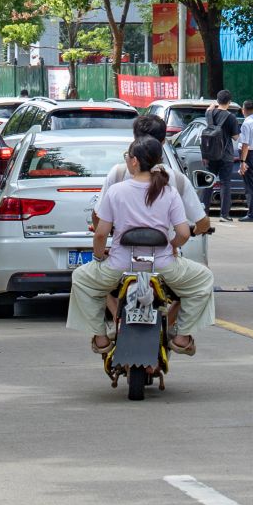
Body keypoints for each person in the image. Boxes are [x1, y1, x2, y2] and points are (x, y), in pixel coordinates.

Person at [67, 136, 214, 356]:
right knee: (204, 279)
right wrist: (172, 247)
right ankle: (182, 336)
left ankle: (100, 337)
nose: (126, 160)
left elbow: (100, 234)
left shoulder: (116, 191)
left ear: (134, 161)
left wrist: (98, 258)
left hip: (119, 266)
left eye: (127, 156)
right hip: (163, 266)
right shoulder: (169, 192)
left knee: (80, 278)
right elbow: (184, 233)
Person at [93, 116, 210, 243]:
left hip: (123, 253)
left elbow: (97, 218)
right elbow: (201, 224)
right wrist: (176, 244)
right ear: (163, 141)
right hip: (163, 254)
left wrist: (107, 243)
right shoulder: (177, 180)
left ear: (135, 139)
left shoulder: (118, 174)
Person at [198, 91, 242, 222]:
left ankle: (203, 213)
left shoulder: (209, 113)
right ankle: (224, 215)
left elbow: (208, 112)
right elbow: (235, 137)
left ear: (217, 101)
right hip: (225, 155)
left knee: (208, 182)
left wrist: (211, 108)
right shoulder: (231, 117)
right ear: (229, 102)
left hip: (210, 154)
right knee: (225, 184)